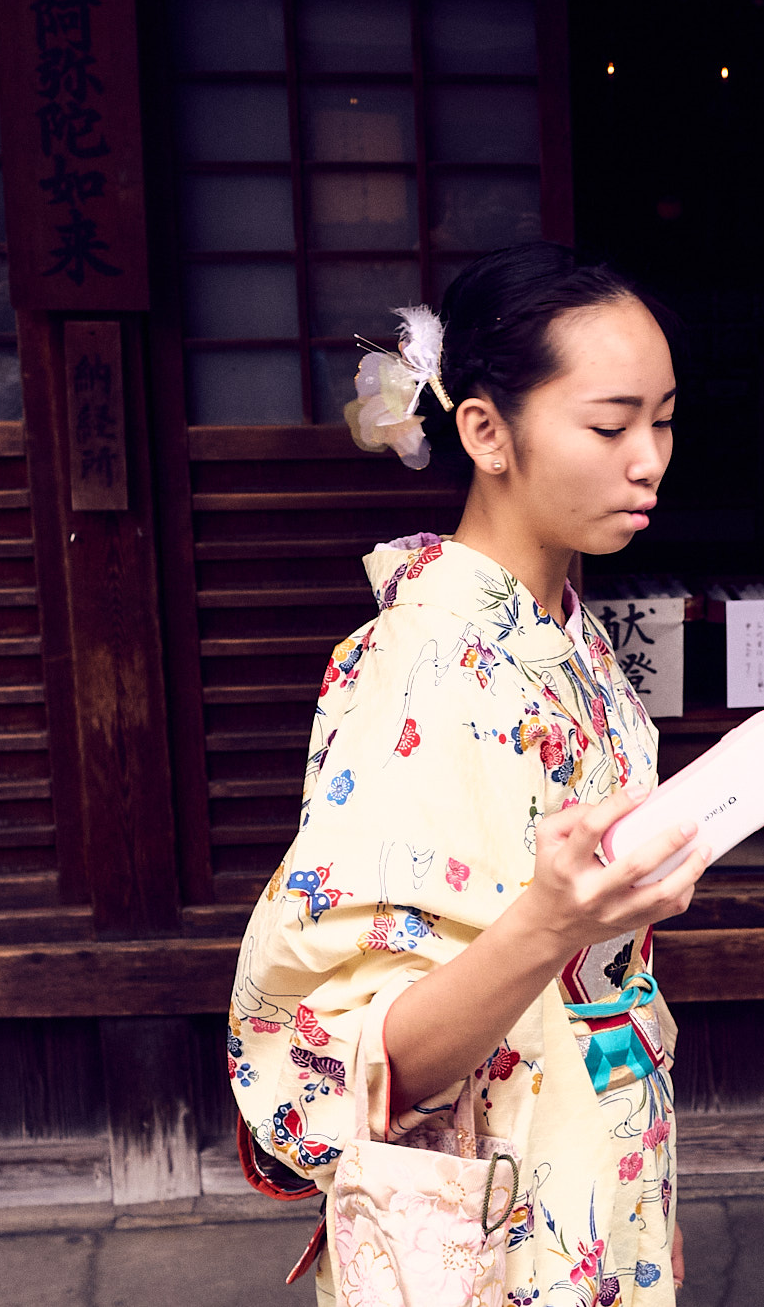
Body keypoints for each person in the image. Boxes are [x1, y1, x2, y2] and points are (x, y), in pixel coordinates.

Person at [228, 243, 709, 1305]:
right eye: (611, 426)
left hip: (596, 1159)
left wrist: (641, 1189)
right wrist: (552, 923)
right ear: (487, 432)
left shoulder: (563, 634)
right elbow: (362, 1049)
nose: (649, 460)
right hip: (489, 1208)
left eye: (664, 421)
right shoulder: (424, 666)